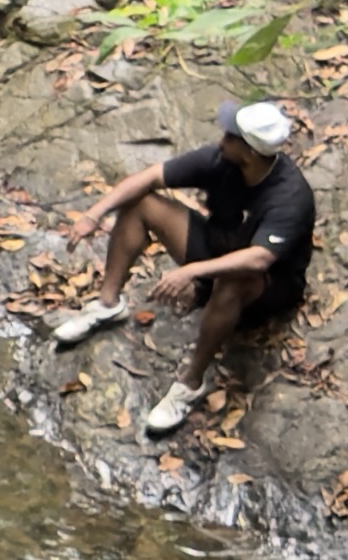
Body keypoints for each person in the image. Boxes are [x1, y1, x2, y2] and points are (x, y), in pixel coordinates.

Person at [63, 99, 324, 434]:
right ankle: (107, 304)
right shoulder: (221, 159)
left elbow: (260, 259)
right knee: (142, 204)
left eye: (230, 136)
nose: (221, 139)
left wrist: (192, 273)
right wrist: (93, 214)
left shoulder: (290, 196)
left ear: (249, 152)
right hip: (218, 247)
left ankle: (190, 383)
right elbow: (148, 178)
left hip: (265, 286)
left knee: (233, 280)